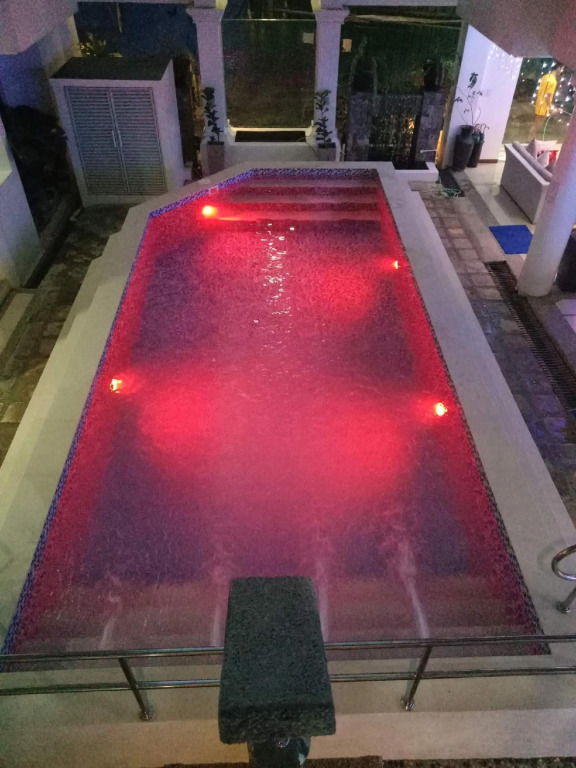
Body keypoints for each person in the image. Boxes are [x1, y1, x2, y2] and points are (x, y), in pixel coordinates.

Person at [532, 64, 564, 138]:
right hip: (543, 108)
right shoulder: (553, 81)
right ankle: (531, 141)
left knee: (535, 126)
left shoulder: (545, 77)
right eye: (562, 69)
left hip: (539, 105)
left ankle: (531, 140)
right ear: (558, 68)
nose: (562, 71)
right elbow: (547, 96)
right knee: (537, 127)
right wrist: (551, 108)